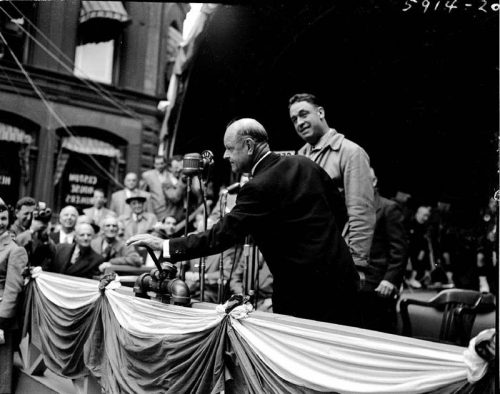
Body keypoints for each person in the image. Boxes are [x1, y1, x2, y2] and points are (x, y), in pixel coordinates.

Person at [128, 118, 360, 325]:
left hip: (303, 295)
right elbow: (339, 211)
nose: (225, 156)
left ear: (249, 145)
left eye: (229, 148)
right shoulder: (305, 163)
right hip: (344, 280)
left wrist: (165, 245)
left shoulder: (257, 187)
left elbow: (220, 236)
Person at [288, 93, 375, 282]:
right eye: (294, 119)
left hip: (336, 262)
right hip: (304, 261)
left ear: (320, 112)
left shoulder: (351, 152)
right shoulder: (299, 159)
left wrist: (357, 264)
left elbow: (361, 212)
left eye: (304, 114)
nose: (299, 122)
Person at [359, 168, 408, 333]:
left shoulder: (389, 207)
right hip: (356, 282)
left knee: (379, 333)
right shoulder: (351, 207)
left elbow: (399, 249)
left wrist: (390, 279)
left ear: (374, 182)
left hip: (378, 286)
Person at [0, 202, 29, 394]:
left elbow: (12, 288)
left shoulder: (15, 250)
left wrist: (1, 323)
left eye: (3, 218)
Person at [15, 202, 56, 268]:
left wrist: (46, 235)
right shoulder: (22, 238)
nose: (41, 223)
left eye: (44, 222)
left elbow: (51, 261)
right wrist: (31, 231)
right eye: (37, 220)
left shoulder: (50, 244)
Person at [406, 205, 432, 289]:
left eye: (427, 216)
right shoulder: (408, 224)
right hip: (408, 252)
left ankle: (415, 278)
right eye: (424, 215)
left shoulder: (424, 227)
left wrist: (423, 251)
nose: (426, 218)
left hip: (419, 253)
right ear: (418, 213)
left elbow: (424, 243)